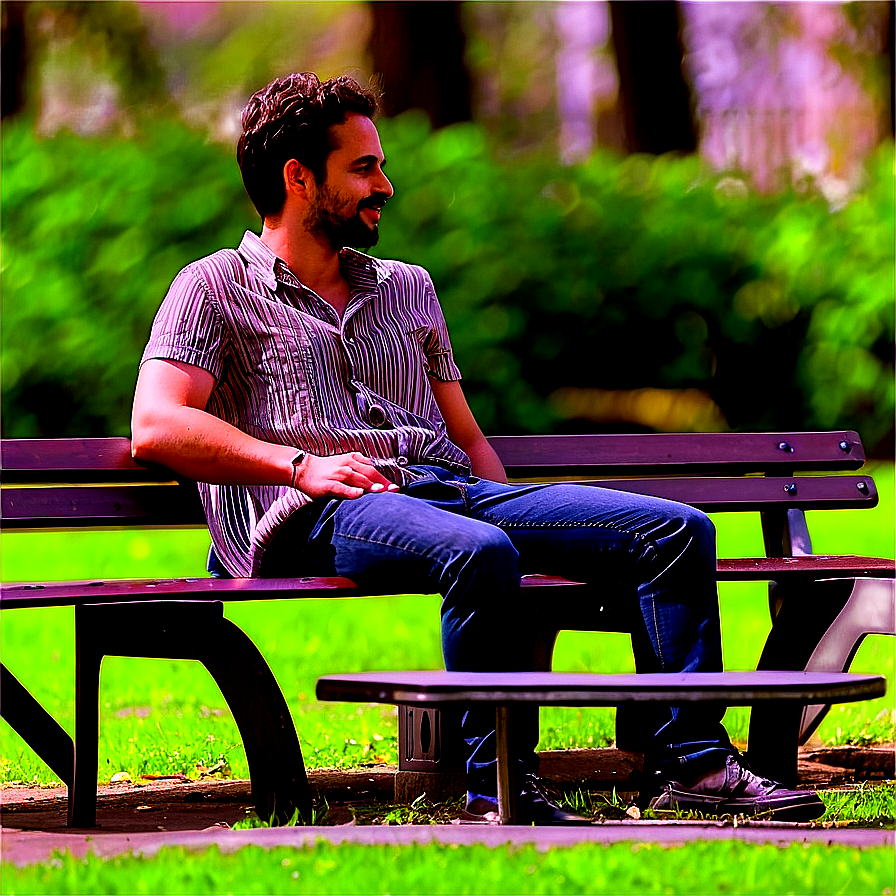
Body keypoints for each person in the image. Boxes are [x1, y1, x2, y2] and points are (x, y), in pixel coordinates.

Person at [132, 72, 824, 825]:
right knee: (479, 553)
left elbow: (464, 435)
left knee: (672, 531)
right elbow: (157, 425)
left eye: (381, 165)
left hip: (447, 490)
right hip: (319, 508)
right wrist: (300, 465)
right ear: (298, 177)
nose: (385, 186)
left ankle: (692, 766)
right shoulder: (213, 287)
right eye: (363, 168)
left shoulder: (407, 289)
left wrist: (516, 519)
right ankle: (497, 791)